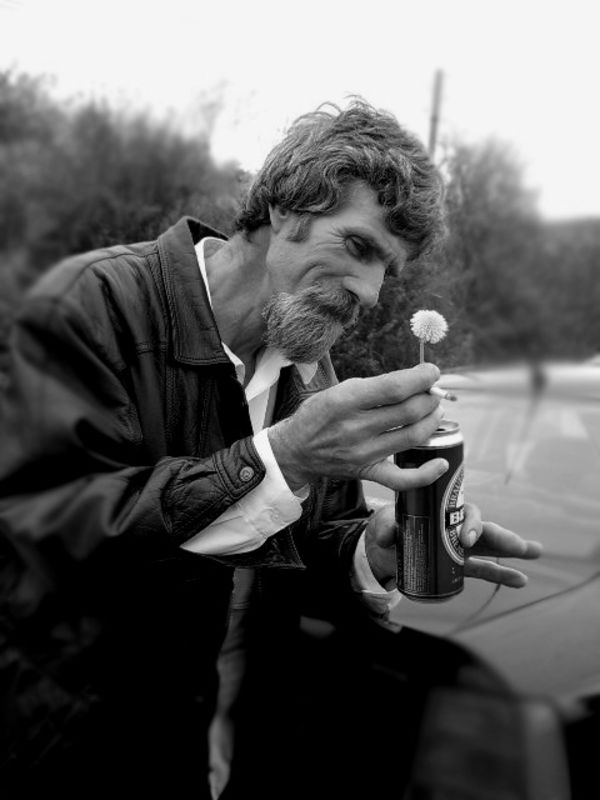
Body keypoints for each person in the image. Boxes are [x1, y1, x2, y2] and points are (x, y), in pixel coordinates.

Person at [0, 99, 541, 796]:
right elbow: (45, 530)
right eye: (358, 246)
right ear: (284, 209)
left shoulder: (309, 367)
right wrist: (281, 459)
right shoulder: (92, 305)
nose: (371, 292)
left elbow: (303, 542)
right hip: (76, 750)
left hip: (223, 744)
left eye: (389, 269)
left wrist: (370, 551)